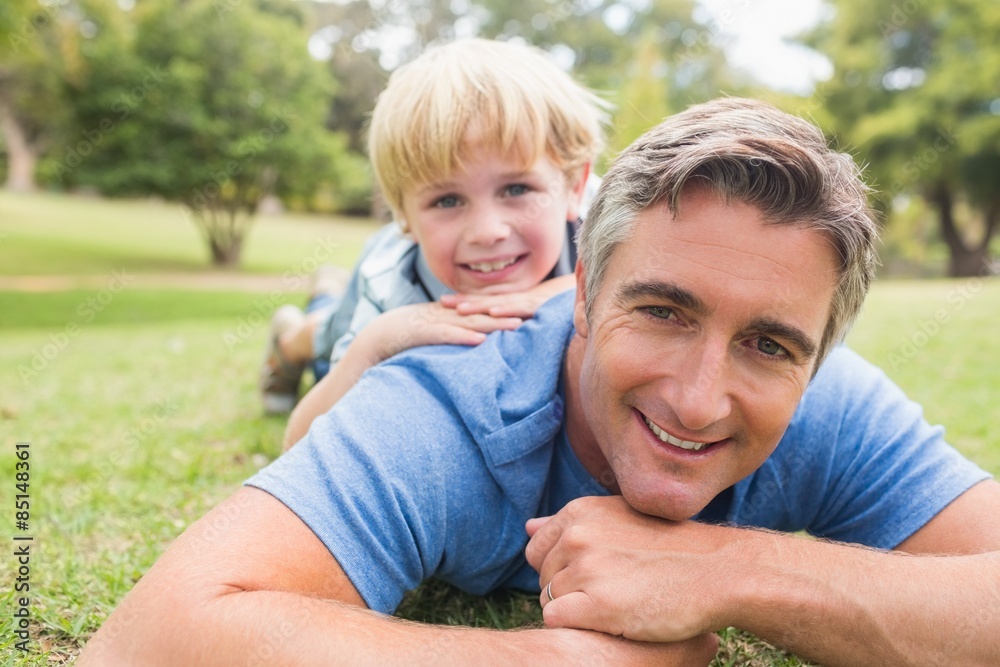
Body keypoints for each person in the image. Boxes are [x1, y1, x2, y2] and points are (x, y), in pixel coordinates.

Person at [77, 98, 1000, 666]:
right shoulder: (444, 402)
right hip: (387, 327)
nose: (697, 397)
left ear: (816, 351)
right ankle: (299, 332)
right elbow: (145, 640)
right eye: (665, 311)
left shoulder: (832, 400)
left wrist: (736, 568)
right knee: (333, 332)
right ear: (588, 296)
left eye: (769, 344)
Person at [259, 37, 607, 421]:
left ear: (574, 187)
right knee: (329, 337)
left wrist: (565, 291)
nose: (487, 232)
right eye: (447, 200)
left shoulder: (605, 219)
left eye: (517, 189)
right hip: (377, 281)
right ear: (402, 214)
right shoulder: (391, 287)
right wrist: (376, 342)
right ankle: (291, 337)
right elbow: (312, 440)